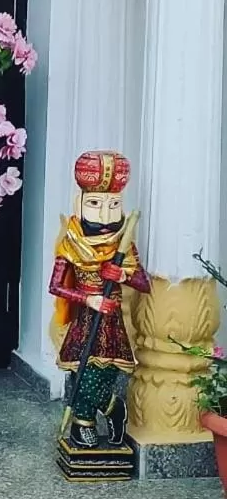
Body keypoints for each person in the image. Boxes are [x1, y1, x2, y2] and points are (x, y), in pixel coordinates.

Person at [50, 150, 150, 449]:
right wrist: (88, 299)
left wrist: (121, 276)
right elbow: (55, 286)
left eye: (114, 205)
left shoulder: (123, 246)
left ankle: (95, 419)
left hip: (111, 323)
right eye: (95, 204)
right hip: (85, 319)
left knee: (102, 375)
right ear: (80, 203)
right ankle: (99, 417)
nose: (106, 215)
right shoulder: (71, 243)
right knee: (82, 373)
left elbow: (144, 283)